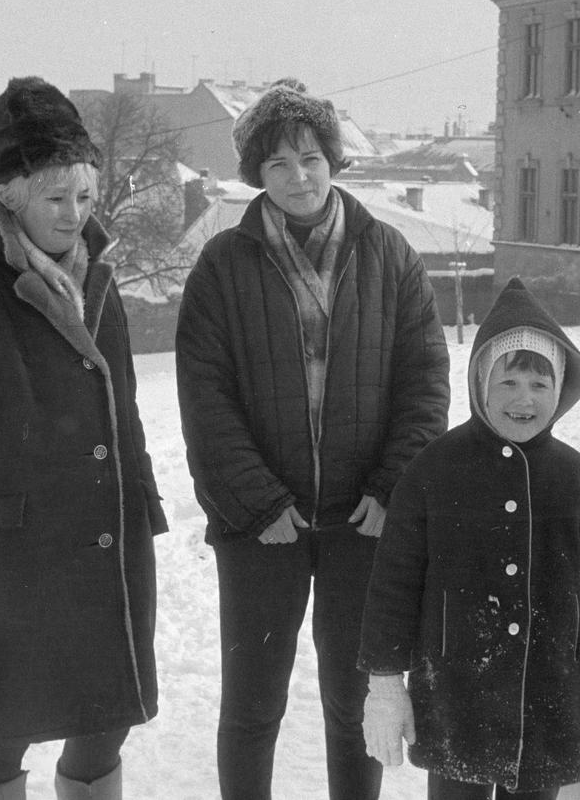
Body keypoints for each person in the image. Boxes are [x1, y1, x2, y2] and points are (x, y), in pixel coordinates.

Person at [0, 77, 168, 800]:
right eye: (55, 198)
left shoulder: (102, 287)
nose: (74, 214)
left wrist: (142, 510)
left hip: (104, 552)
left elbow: (125, 413)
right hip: (5, 567)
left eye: (84, 195)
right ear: (10, 197)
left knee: (103, 726)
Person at [176, 78, 451, 800]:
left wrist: (392, 488)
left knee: (355, 700)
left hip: (363, 521)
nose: (298, 177)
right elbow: (205, 398)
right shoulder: (223, 265)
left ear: (333, 160)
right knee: (252, 703)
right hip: (261, 527)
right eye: (278, 164)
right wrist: (257, 502)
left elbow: (425, 384)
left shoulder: (390, 253)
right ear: (255, 175)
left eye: (310, 158)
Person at [359, 276, 580, 800]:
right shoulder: (433, 471)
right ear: (479, 383)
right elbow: (393, 583)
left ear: (560, 390)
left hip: (547, 698)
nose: (524, 398)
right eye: (508, 381)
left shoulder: (576, 479)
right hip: (456, 695)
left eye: (539, 384)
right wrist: (384, 682)